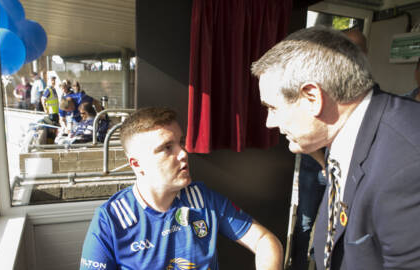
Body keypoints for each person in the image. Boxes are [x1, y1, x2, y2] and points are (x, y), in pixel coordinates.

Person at [251, 26, 420, 270]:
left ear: (312, 97)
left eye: (273, 108)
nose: (269, 122)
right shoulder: (343, 133)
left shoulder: (408, 164)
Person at [80, 107, 283, 270]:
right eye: (167, 147)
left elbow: (265, 240)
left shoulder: (203, 199)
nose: (184, 153)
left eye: (181, 143)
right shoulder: (111, 219)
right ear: (137, 164)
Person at [291, 27, 369, 270]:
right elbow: (299, 134)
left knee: (336, 225)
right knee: (305, 222)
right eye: (353, 47)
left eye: (361, 49)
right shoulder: (317, 85)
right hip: (316, 165)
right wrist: (326, 164)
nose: (358, 54)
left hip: (343, 170)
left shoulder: (363, 88)